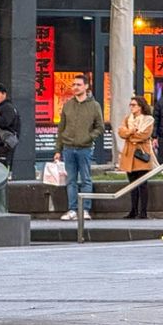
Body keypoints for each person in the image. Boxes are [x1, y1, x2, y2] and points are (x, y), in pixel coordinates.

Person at [53, 75, 102, 220]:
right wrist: (58, 149)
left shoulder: (94, 106)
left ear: (86, 86)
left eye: (79, 84)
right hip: (68, 147)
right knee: (71, 180)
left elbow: (100, 127)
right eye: (73, 84)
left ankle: (85, 209)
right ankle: (72, 209)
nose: (75, 87)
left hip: (85, 148)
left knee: (86, 179)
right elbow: (61, 128)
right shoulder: (68, 105)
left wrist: (89, 137)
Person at [117, 97, 155, 219]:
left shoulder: (148, 120)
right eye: (131, 104)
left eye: (134, 105)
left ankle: (143, 212)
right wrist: (131, 132)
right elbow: (121, 132)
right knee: (132, 184)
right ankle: (133, 210)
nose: (131, 107)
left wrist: (129, 136)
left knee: (142, 184)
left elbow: (144, 135)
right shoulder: (128, 119)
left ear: (140, 106)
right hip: (129, 155)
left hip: (141, 154)